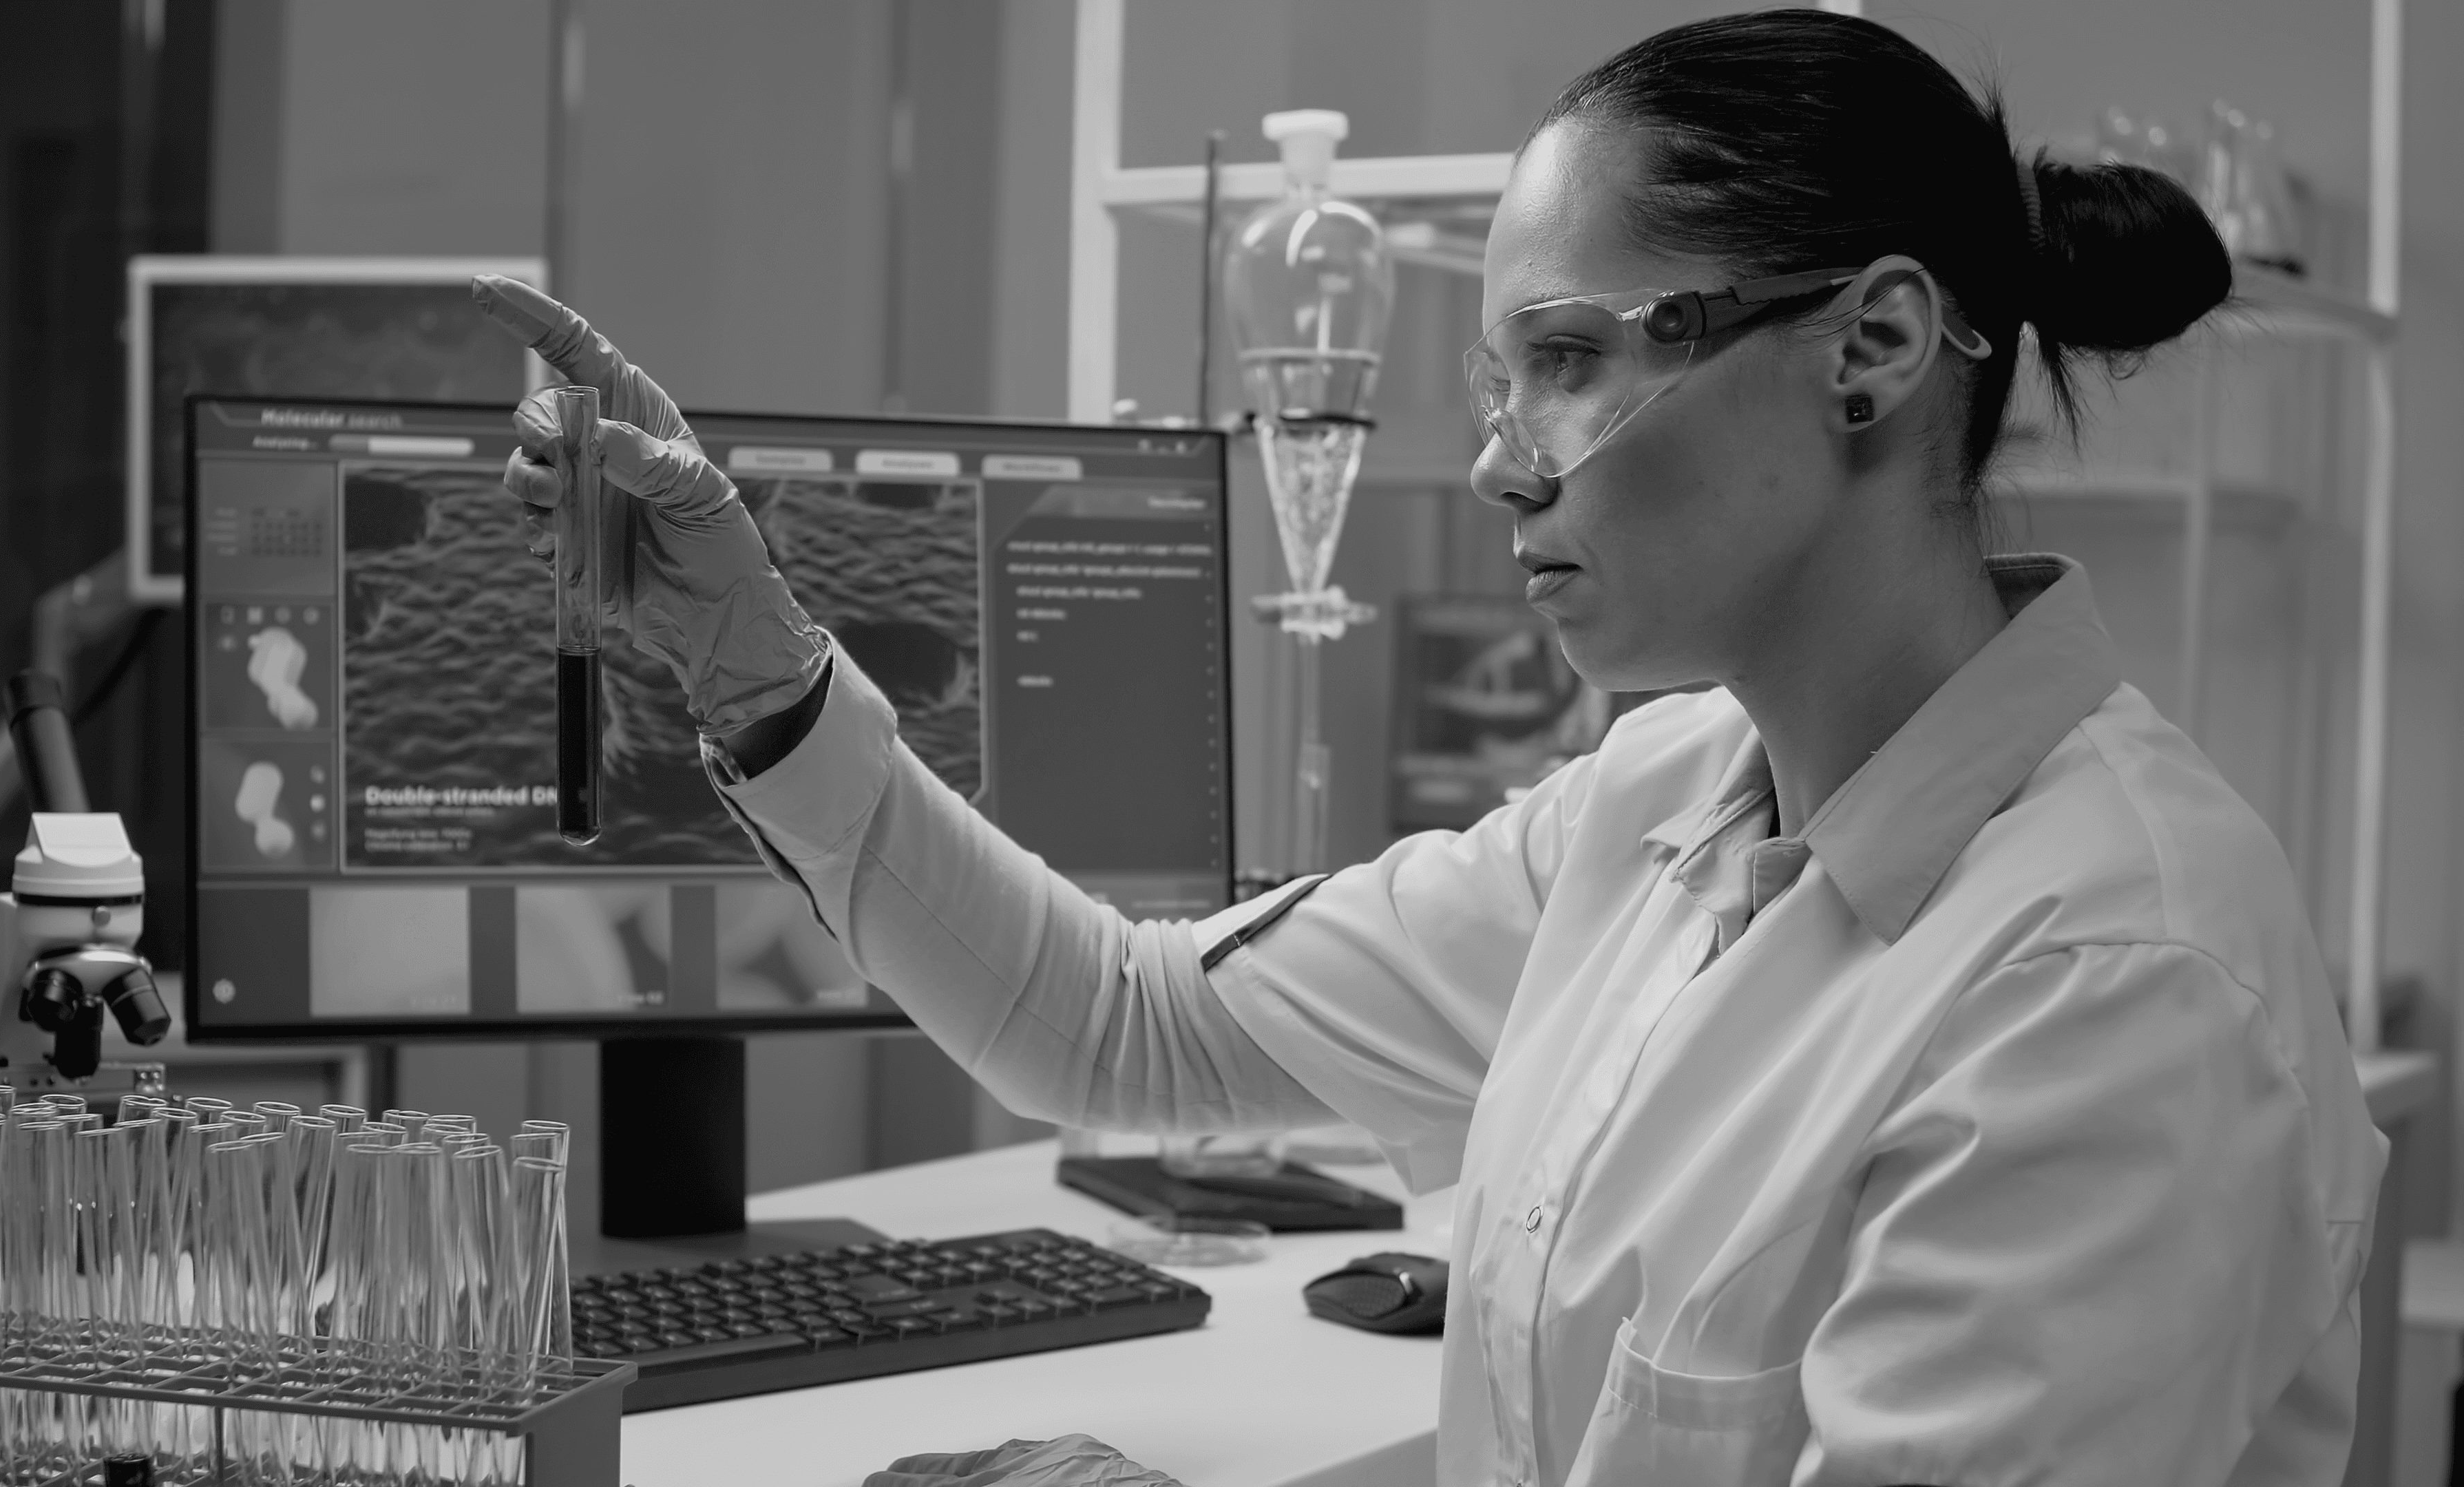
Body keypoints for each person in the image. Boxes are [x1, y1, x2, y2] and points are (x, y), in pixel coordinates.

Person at [475, 10, 2382, 1484]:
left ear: (1872, 346)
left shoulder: (2115, 989)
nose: (1495, 457)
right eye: (1501, 379)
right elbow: (1130, 1029)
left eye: (1567, 356)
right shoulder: (1669, 801)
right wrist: (757, 666)